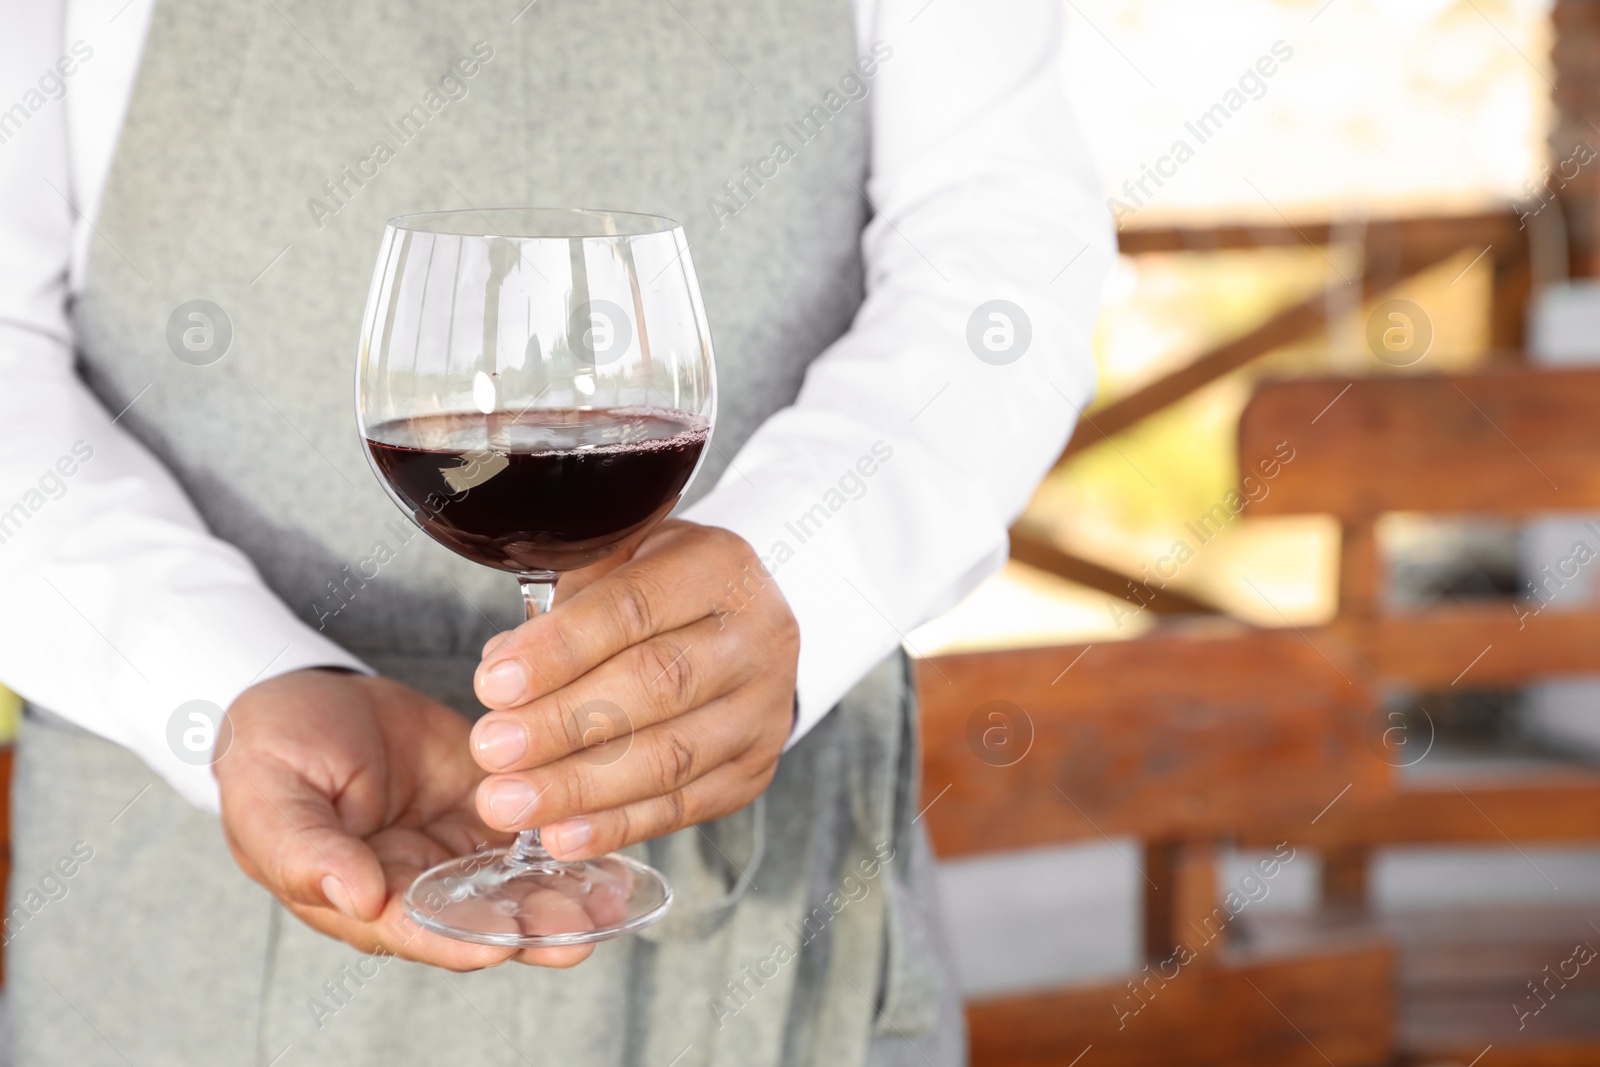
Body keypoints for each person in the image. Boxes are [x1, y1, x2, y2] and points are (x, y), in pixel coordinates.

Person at [0, 0, 1110, 1063]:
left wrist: (805, 573)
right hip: (179, 900)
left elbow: (1000, 260)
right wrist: (223, 675)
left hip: (776, 900)